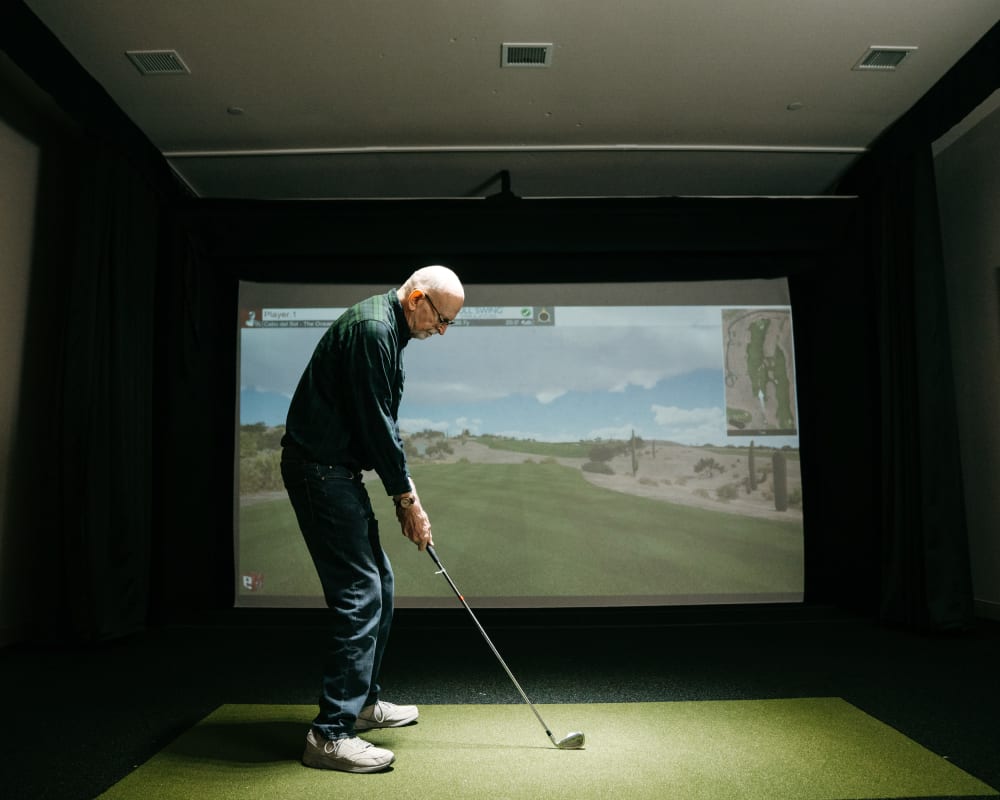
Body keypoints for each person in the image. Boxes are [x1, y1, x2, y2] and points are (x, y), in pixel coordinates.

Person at [280, 265, 465, 773]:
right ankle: (329, 735)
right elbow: (375, 421)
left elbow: (378, 420)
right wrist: (407, 500)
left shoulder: (387, 328)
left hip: (336, 470)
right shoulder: (374, 329)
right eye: (441, 319)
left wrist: (407, 497)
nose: (441, 331)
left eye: (449, 324)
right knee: (360, 591)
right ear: (417, 299)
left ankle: (361, 705)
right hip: (320, 470)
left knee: (379, 580)